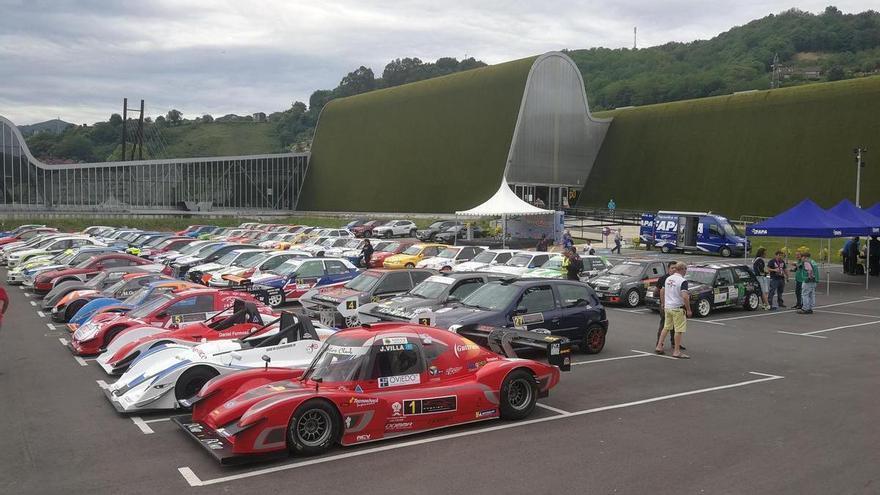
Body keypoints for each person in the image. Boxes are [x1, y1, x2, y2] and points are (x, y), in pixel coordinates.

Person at [656, 262, 691, 359]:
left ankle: (659, 345)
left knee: (666, 327)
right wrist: (688, 309)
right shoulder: (683, 281)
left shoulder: (668, 278)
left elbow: (662, 291)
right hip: (677, 308)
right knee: (678, 330)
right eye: (685, 269)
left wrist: (663, 303)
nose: (686, 271)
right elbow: (685, 296)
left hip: (668, 307)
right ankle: (676, 351)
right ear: (682, 269)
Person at [656, 261, 683, 349]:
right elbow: (659, 291)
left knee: (675, 326)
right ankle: (659, 344)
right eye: (672, 268)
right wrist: (663, 303)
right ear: (668, 269)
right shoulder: (664, 278)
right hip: (666, 305)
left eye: (676, 268)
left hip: (675, 306)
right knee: (664, 325)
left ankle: (674, 343)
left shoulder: (678, 278)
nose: (674, 269)